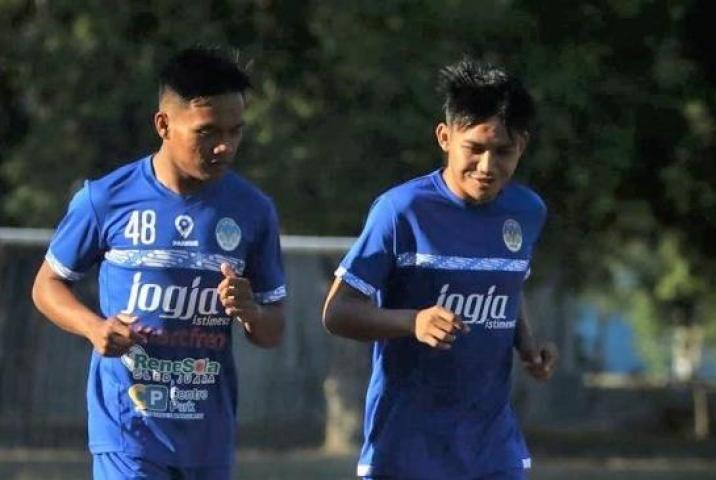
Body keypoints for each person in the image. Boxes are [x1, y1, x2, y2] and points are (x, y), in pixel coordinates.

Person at [31, 46, 286, 480]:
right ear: (164, 124)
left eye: (236, 131)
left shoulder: (253, 210)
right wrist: (95, 327)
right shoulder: (105, 198)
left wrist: (251, 311)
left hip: (208, 435)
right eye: (207, 132)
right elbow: (47, 285)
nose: (224, 146)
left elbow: (272, 330)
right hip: (128, 431)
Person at [322, 58, 558, 480]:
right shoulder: (402, 210)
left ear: (521, 144)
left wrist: (529, 347)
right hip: (408, 448)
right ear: (445, 137)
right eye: (475, 148)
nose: (487, 167)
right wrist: (413, 321)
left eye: (503, 151)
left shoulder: (527, 211)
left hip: (492, 448)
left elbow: (507, 289)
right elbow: (337, 312)